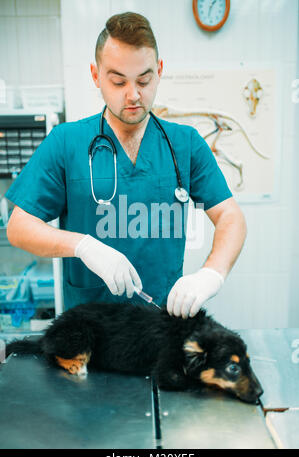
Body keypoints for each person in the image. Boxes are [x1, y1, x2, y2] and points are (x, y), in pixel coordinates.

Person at [5, 12, 246, 318]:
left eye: (144, 80)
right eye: (118, 81)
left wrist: (212, 273)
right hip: (89, 332)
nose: (133, 94)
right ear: (96, 75)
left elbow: (230, 216)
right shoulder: (66, 142)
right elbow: (19, 226)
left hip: (161, 325)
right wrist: (83, 246)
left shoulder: (185, 144)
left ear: (159, 71)